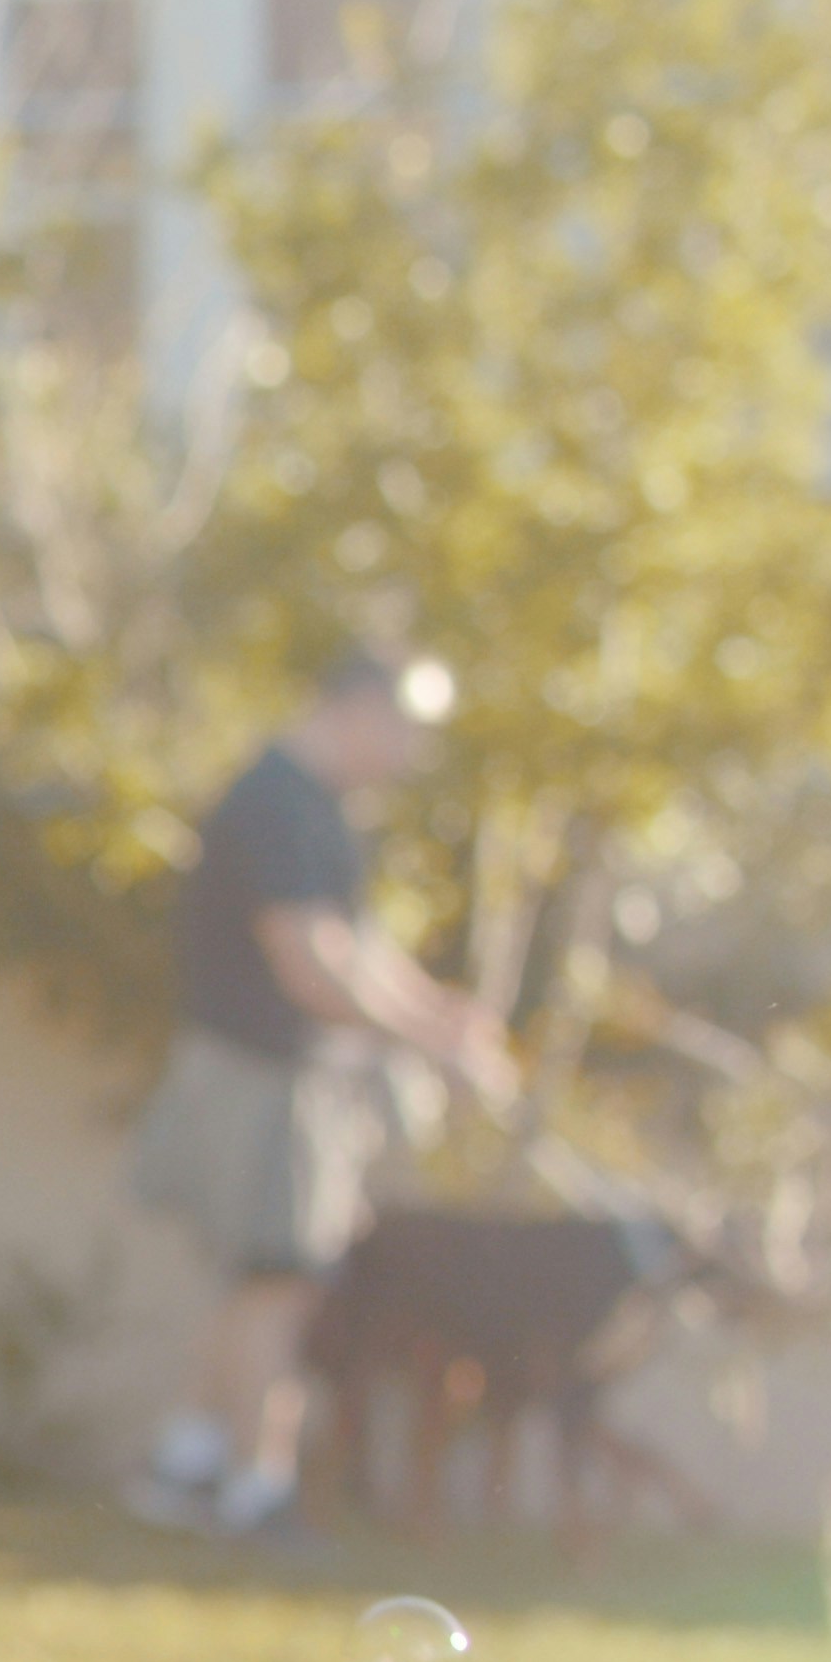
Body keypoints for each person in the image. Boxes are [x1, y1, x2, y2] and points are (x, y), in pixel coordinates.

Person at [123, 647, 515, 1537]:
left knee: (265, 1280)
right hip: (259, 1080)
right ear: (360, 709)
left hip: (289, 1081)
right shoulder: (274, 804)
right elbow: (310, 967)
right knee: (280, 1280)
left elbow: (359, 948)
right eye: (406, 729)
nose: (412, 753)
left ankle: (182, 1463)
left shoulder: (317, 811)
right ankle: (255, 1489)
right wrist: (430, 1045)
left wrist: (443, 1018)